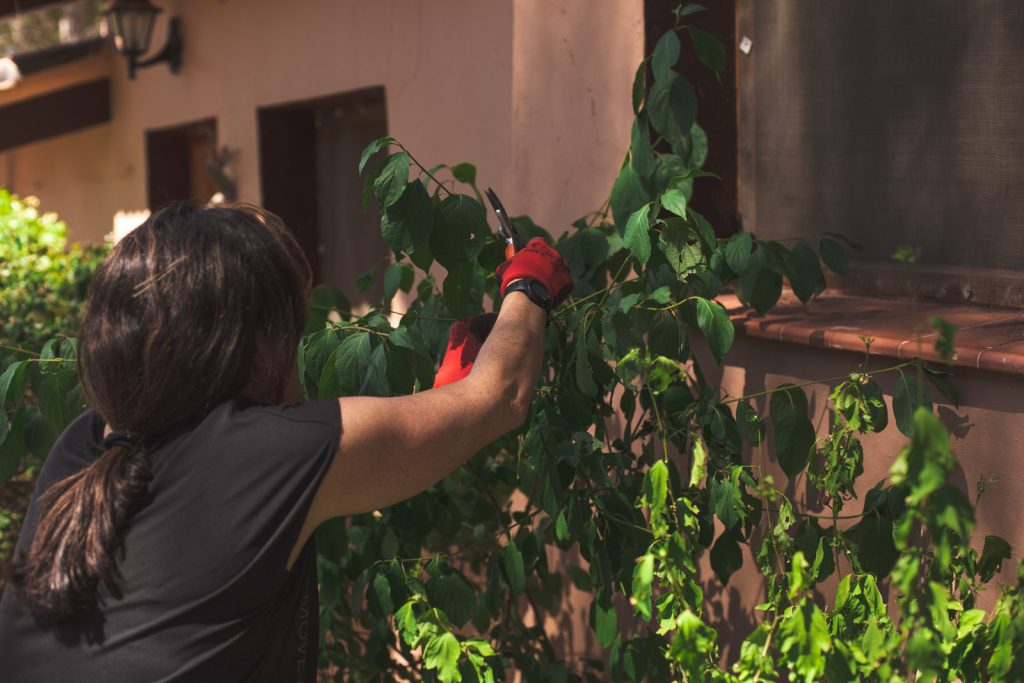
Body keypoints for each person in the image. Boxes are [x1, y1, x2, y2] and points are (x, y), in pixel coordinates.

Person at [0, 201, 573, 681]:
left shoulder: (87, 443)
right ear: (251, 348)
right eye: (290, 331)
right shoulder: (266, 455)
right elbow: (500, 397)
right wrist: (528, 286)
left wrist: (437, 408)